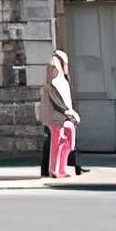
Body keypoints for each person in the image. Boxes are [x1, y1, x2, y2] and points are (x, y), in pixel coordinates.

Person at [38, 49, 80, 178]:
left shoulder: (62, 81)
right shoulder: (54, 83)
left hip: (63, 117)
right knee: (57, 142)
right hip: (56, 118)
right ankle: (55, 169)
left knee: (65, 141)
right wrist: (68, 113)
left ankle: (61, 169)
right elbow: (58, 102)